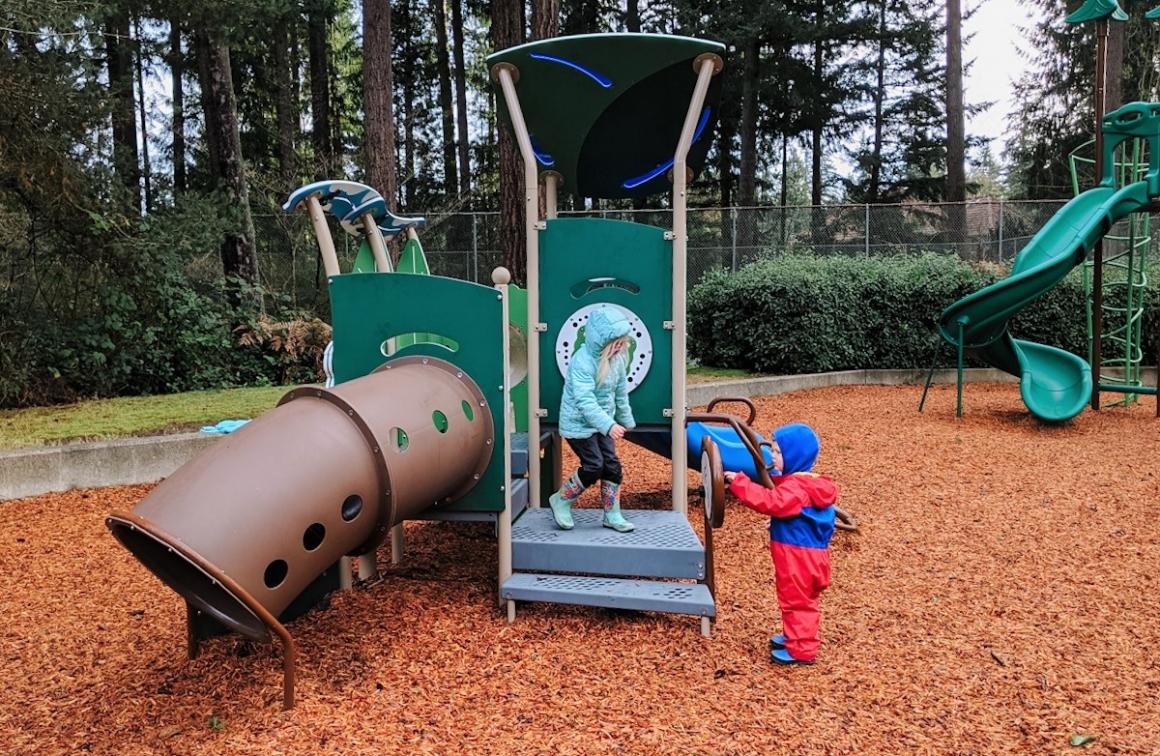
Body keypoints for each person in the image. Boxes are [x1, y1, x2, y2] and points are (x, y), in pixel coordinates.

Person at [723, 423, 838, 665]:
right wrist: (781, 525)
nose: (772, 456)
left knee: (798, 601)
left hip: (798, 559)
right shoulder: (809, 484)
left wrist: (740, 483)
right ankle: (794, 637)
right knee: (794, 598)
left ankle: (802, 651)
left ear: (794, 456)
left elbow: (770, 502)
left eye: (777, 452)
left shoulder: (796, 489)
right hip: (806, 556)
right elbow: (809, 518)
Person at [549, 306, 636, 533]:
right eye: (615, 343)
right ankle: (561, 500)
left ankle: (612, 514)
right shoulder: (582, 362)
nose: (620, 347)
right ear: (601, 342)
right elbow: (585, 401)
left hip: (602, 424)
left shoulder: (616, 360)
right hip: (577, 423)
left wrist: (625, 419)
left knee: (612, 466)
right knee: (594, 465)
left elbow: (620, 392)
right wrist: (609, 425)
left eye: (622, 342)